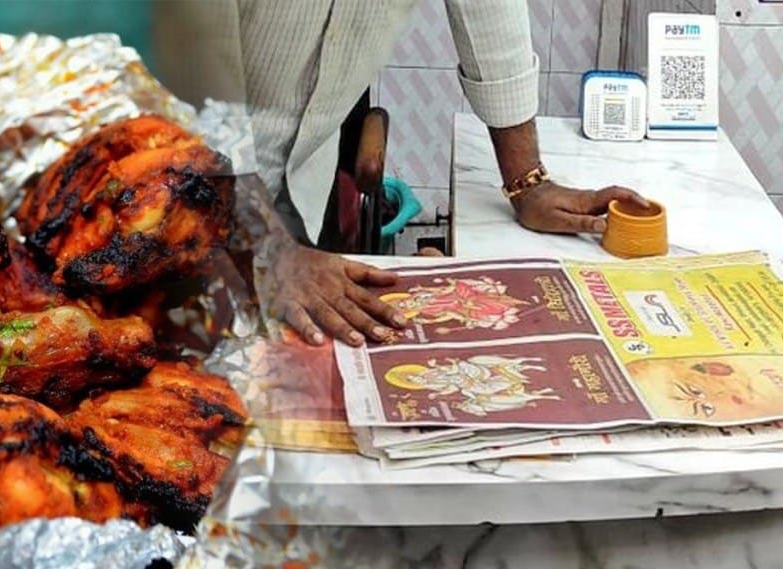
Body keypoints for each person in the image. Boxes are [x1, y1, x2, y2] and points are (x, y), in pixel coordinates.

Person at [152, 0, 646, 347]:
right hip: (164, 179)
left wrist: (527, 183)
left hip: (296, 184)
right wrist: (266, 249)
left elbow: (491, 14)